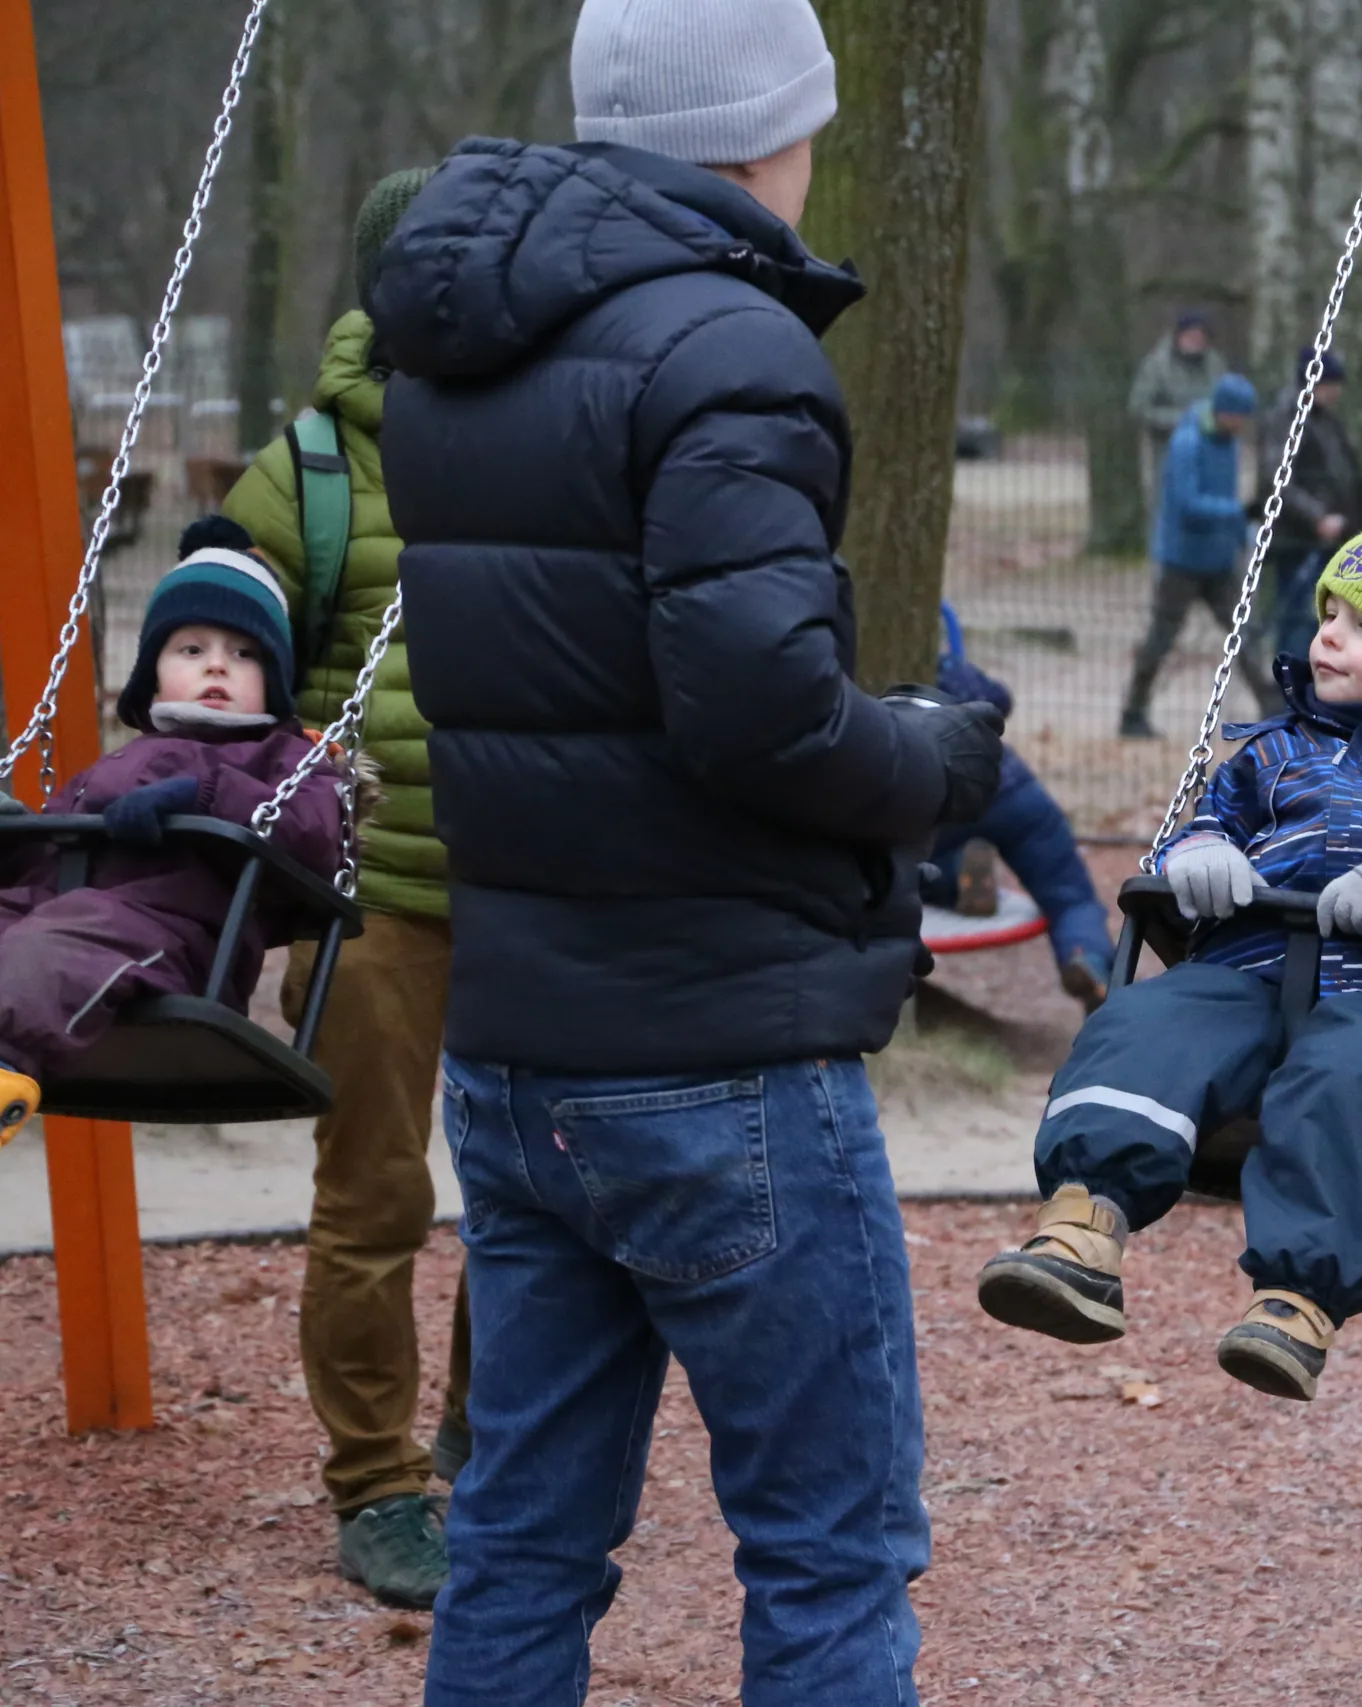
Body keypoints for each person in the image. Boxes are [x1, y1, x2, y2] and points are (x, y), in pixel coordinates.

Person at [368, 1, 1005, 1699]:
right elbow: (761, 719)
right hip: (720, 1049)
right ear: (767, 131)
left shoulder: (462, 346)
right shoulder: (731, 348)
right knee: (830, 1548)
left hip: (516, 1048)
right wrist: (935, 758)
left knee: (519, 1531)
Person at [978, 518, 1362, 1402]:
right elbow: (1215, 825)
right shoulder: (1273, 752)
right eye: (1329, 612)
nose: (1328, 634)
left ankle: (1297, 1299)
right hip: (1245, 969)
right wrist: (1200, 853)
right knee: (1144, 1021)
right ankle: (1082, 1225)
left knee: (1350, 1076)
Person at [221, 167, 465, 1613]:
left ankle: (495, 1446)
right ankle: (375, 1475)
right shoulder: (310, 467)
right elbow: (215, 664)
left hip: (547, 883)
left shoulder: (560, 435)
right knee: (374, 1194)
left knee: (541, 1198)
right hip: (373, 890)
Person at [0, 521, 349, 1144]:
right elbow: (54, 856)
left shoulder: (287, 762)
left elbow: (315, 834)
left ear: (272, 676)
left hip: (170, 935)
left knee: (49, 953)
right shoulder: (119, 760)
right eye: (191, 650)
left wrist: (202, 795)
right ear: (153, 674)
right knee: (29, 926)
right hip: (63, 910)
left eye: (243, 653)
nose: (217, 664)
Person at [928, 606, 1115, 1011]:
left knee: (914, 865)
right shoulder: (944, 669)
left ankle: (958, 874)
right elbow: (999, 699)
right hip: (1008, 788)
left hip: (935, 805)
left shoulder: (863, 671)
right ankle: (1087, 959)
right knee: (1069, 891)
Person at [1121, 372, 1281, 737]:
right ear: (1224, 412)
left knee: (1243, 633)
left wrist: (1241, 535)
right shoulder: (1187, 443)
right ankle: (1133, 711)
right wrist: (1239, 512)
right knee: (1161, 639)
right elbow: (1188, 503)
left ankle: (1272, 706)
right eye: (1238, 417)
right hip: (1182, 560)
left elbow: (1223, 496)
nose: (1242, 425)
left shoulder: (1229, 443)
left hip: (1219, 559)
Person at [1257, 345, 1362, 667]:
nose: (1336, 392)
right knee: (1298, 617)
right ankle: (1290, 690)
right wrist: (1317, 516)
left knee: (1319, 617)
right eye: (1331, 385)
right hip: (1300, 538)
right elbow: (1276, 476)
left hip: (1330, 537)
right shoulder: (1288, 419)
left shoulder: (1325, 420)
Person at [1127, 310, 1227, 490]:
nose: (1196, 341)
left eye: (1200, 336)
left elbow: (1225, 398)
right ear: (1179, 336)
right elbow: (1139, 408)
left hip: (1210, 448)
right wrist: (1182, 420)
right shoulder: (1157, 365)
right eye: (1191, 335)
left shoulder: (1215, 364)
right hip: (1169, 449)